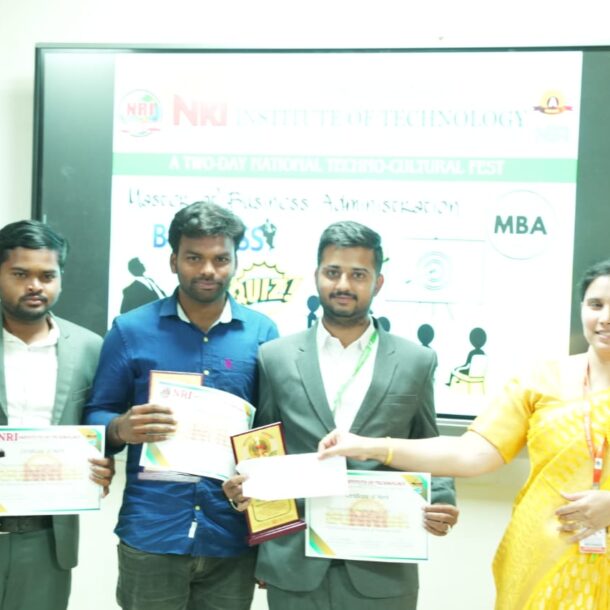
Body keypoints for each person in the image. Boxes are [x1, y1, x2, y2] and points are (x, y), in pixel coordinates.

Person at [318, 258, 610, 610]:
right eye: (596, 305)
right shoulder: (542, 379)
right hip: (544, 553)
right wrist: (370, 446)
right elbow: (472, 453)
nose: (605, 317)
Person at [224, 221, 457, 610]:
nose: (343, 284)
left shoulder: (416, 361)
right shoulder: (276, 357)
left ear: (378, 282)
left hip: (381, 562)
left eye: (358, 275)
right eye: (333, 272)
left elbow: (428, 443)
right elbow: (264, 448)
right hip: (294, 564)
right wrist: (246, 484)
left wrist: (443, 500)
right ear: (317, 275)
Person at [84, 201, 279, 610]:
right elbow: (96, 415)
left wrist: (271, 532)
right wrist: (120, 427)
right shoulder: (129, 330)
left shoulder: (262, 333)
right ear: (173, 261)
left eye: (220, 259)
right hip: (153, 532)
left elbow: (271, 433)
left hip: (231, 535)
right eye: (194, 258)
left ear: (235, 262)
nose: (208, 270)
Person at [0, 219, 114, 610]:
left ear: (60, 279)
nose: (35, 285)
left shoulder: (89, 348)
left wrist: (101, 463)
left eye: (47, 275)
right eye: (20, 274)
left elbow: (97, 426)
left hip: (47, 540)